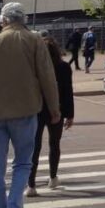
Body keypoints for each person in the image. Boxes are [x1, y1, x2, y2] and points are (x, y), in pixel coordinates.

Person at [0, 2, 61, 208]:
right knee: (23, 162)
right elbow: (47, 76)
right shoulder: (34, 40)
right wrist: (54, 108)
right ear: (23, 19)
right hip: (26, 112)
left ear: (3, 21)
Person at [28, 33, 74, 196]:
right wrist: (70, 115)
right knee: (55, 144)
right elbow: (68, 92)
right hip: (57, 110)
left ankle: (31, 185)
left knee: (34, 147)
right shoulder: (64, 67)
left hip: (37, 110)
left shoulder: (34, 67)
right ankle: (53, 177)